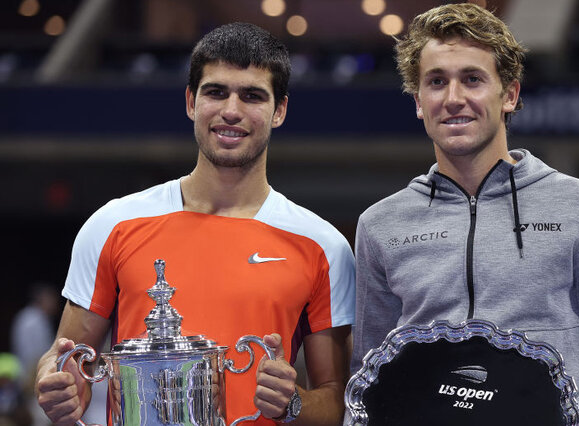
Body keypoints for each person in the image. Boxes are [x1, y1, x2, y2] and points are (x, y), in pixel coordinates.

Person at [35, 22, 355, 425]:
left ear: (280, 111)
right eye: (216, 92)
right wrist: (54, 382)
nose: (231, 111)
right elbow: (66, 359)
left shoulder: (323, 246)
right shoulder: (113, 225)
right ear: (191, 101)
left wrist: (293, 402)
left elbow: (340, 401)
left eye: (252, 96)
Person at [349, 4, 579, 425]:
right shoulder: (380, 224)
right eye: (436, 82)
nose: (453, 98)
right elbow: (369, 374)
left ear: (509, 94)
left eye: (472, 79)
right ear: (418, 101)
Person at [11, 282, 60, 426]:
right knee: (39, 418)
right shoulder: (33, 320)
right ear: (43, 299)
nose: (55, 305)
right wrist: (34, 377)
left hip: (33, 373)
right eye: (52, 300)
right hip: (33, 375)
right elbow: (34, 353)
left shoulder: (30, 317)